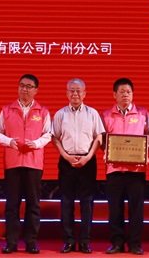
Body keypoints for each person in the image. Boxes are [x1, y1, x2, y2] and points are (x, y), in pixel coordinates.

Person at [0, 74, 52, 254]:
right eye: (22, 85)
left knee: (33, 204)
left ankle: (31, 242)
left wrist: (37, 143)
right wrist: (9, 141)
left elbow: (48, 134)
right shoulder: (7, 110)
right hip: (13, 162)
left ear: (36, 90)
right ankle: (11, 242)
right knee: (12, 204)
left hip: (34, 163)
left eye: (29, 86)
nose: (24, 89)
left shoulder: (43, 111)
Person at [101, 78, 149, 255]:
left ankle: (135, 244)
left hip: (136, 170)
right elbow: (102, 139)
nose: (125, 94)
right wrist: (107, 151)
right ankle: (117, 243)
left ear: (133, 94)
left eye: (128, 92)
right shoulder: (106, 115)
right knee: (115, 208)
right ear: (114, 95)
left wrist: (145, 152)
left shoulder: (142, 114)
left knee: (136, 209)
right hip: (114, 169)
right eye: (122, 91)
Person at [51, 78, 105, 254]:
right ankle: (68, 241)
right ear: (67, 93)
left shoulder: (92, 113)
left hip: (87, 161)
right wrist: (66, 156)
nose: (75, 94)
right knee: (66, 202)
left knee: (86, 203)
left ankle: (84, 242)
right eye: (72, 91)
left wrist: (88, 157)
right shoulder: (60, 114)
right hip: (66, 161)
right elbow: (54, 137)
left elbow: (99, 137)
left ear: (84, 93)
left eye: (78, 90)